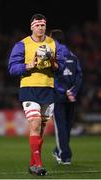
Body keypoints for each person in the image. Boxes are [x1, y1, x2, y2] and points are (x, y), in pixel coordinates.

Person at [8, 15, 65, 176]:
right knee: (35, 122)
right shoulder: (22, 44)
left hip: (48, 89)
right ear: (32, 27)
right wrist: (28, 66)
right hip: (29, 88)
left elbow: (61, 68)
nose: (40, 28)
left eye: (43, 25)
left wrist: (53, 63)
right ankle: (39, 165)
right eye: (38, 25)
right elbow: (12, 68)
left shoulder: (53, 44)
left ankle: (33, 164)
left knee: (40, 130)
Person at [50, 29, 83, 164]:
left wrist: (63, 91)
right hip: (71, 97)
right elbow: (79, 76)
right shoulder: (73, 56)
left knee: (61, 126)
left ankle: (64, 155)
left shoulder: (53, 56)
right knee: (67, 126)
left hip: (58, 96)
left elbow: (52, 77)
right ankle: (60, 151)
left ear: (53, 39)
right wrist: (72, 92)